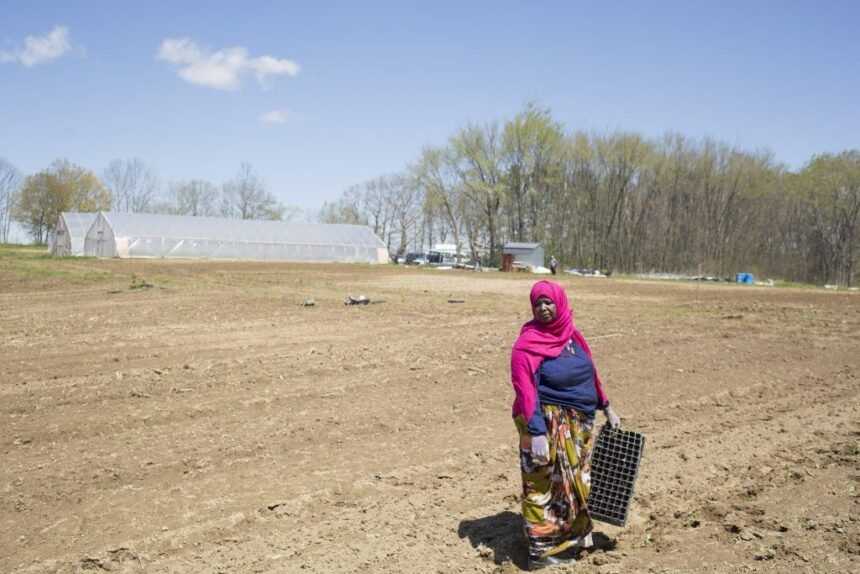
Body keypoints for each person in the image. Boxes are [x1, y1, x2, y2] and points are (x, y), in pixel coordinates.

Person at [509, 280, 621, 570]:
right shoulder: (527, 344)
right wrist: (536, 433)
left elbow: (590, 372)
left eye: (548, 302)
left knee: (576, 484)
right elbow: (525, 389)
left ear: (560, 302)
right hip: (545, 423)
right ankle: (540, 553)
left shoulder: (573, 335)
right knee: (544, 487)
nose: (543, 308)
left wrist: (605, 405)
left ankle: (573, 539)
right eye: (538, 304)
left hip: (580, 423)